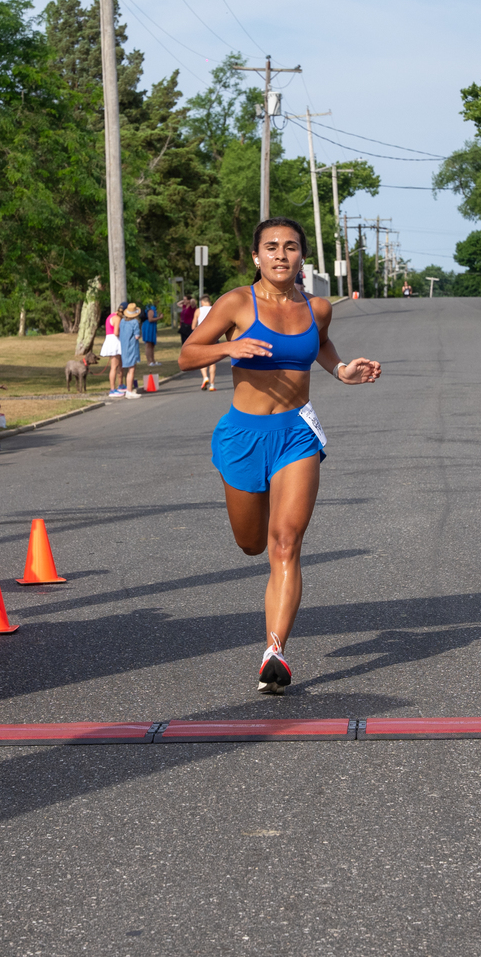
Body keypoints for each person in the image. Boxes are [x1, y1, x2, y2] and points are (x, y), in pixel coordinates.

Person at [177, 217, 380, 694]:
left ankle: (275, 651)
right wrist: (230, 346)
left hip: (296, 434)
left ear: (301, 257)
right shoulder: (236, 303)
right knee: (251, 543)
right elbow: (187, 355)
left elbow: (323, 346)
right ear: (256, 256)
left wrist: (341, 370)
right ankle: (272, 629)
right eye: (271, 247)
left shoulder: (318, 308)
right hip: (243, 435)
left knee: (286, 542)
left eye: (290, 247)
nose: (281, 255)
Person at [119, 303, 143, 398]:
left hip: (124, 346)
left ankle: (128, 389)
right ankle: (129, 391)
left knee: (127, 369)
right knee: (132, 369)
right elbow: (137, 336)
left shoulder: (122, 321)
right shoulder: (135, 322)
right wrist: (139, 335)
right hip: (132, 347)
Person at [193, 295, 216, 390]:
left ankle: (205, 377)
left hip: (202, 336)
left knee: (202, 359)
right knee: (212, 361)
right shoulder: (214, 309)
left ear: (202, 302)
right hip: (213, 335)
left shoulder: (198, 310)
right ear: (209, 301)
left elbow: (193, 326)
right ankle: (212, 384)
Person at [103, 304, 124, 397]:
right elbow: (116, 332)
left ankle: (120, 385)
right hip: (114, 341)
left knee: (119, 364)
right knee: (114, 366)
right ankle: (112, 389)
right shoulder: (117, 318)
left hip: (110, 339)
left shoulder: (110, 316)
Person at [143, 301, 160, 366]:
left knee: (152, 344)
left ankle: (153, 360)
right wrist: (159, 318)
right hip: (148, 327)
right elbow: (150, 319)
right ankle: (149, 361)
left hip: (152, 326)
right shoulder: (150, 308)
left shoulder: (154, 308)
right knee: (148, 344)